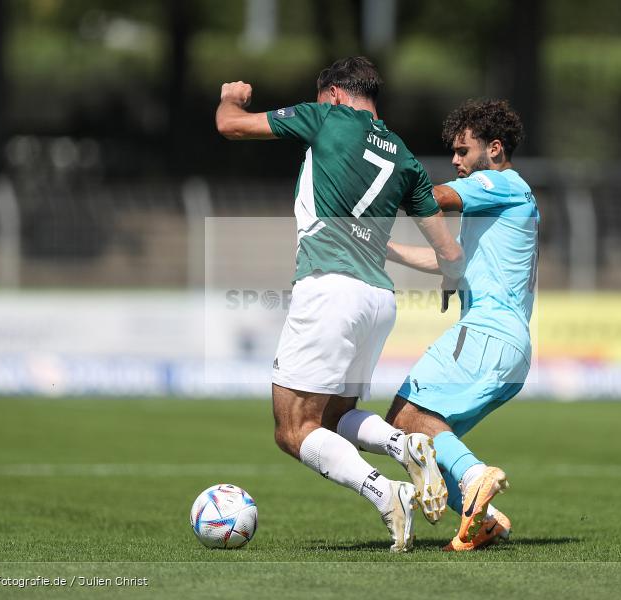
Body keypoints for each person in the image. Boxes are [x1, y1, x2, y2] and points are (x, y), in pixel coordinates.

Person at [215, 56, 465, 552]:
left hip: (329, 287)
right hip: (377, 298)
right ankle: (404, 444)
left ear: (333, 94)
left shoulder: (328, 116)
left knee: (292, 429)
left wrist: (230, 96)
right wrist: (451, 281)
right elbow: (450, 252)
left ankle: (384, 490)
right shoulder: (405, 158)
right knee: (331, 420)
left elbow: (231, 127)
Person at [334, 98, 538, 551]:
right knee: (413, 433)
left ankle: (474, 477)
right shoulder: (505, 199)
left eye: (464, 150)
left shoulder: (499, 181)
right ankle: (481, 517)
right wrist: (383, 246)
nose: (455, 159)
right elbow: (453, 259)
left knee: (408, 419)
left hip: (486, 333)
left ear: (496, 149)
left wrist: (382, 187)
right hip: (508, 345)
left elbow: (434, 198)